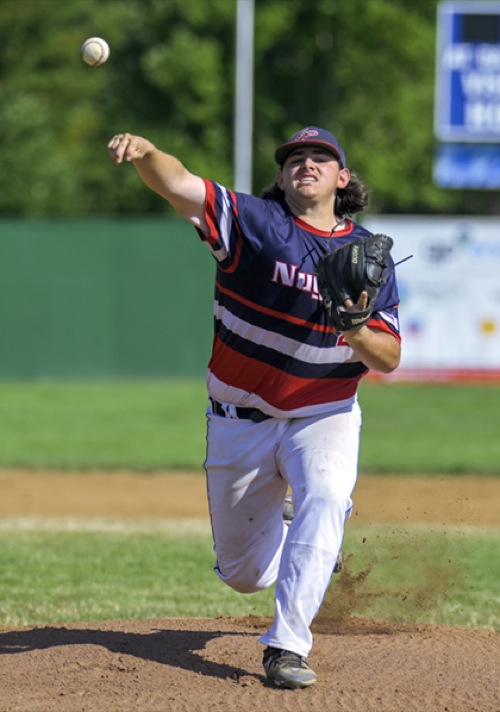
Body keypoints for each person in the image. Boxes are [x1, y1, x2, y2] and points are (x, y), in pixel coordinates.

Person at [107, 126, 401, 689]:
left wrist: (356, 328)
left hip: (325, 410)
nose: (306, 164)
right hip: (238, 419)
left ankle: (287, 646)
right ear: (282, 177)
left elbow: (387, 357)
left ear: (342, 178)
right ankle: (302, 536)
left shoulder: (368, 256)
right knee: (243, 575)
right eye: (295, 158)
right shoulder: (254, 223)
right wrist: (148, 153)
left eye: (320, 157)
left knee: (327, 495)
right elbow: (179, 185)